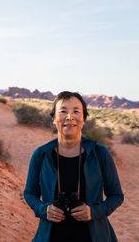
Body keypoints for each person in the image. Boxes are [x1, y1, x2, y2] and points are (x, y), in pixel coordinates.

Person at [24, 91, 124, 242]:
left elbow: (116, 196)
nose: (69, 117)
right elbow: (30, 193)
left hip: (94, 236)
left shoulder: (100, 153)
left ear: (83, 118)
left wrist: (94, 211)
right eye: (63, 111)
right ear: (53, 118)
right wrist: (43, 210)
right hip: (51, 236)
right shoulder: (41, 154)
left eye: (76, 111)